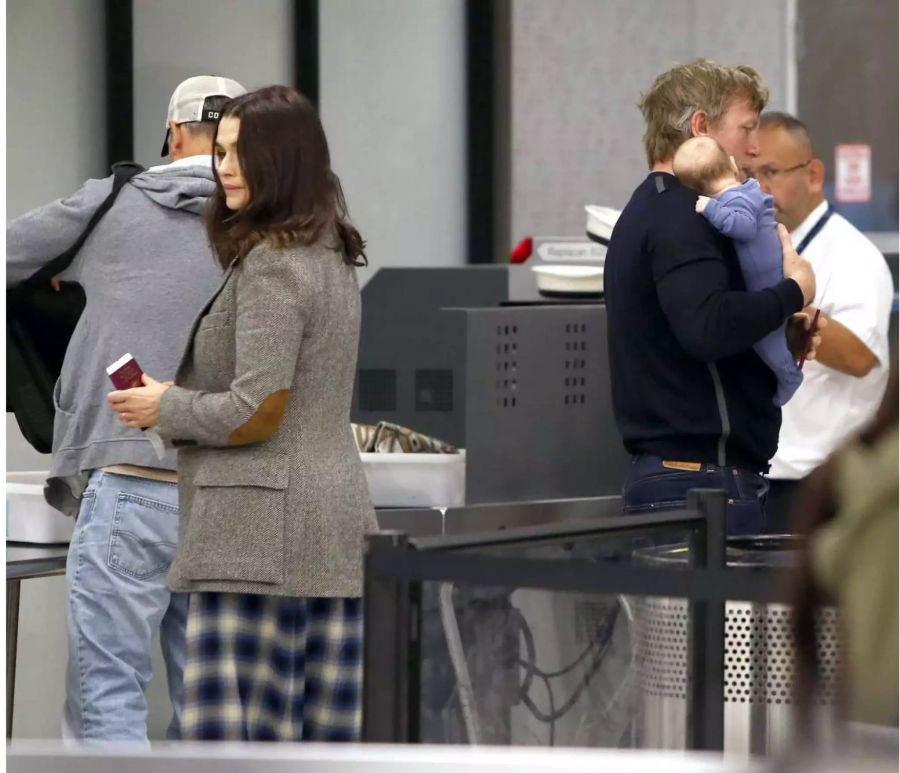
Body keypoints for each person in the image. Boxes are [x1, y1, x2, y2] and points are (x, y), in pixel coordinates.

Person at [107, 85, 378, 742]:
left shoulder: (273, 265)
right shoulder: (330, 256)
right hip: (331, 535)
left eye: (239, 153)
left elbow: (258, 410)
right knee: (324, 745)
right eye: (220, 151)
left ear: (280, 160)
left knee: (234, 753)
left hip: (257, 542)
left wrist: (164, 405)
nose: (223, 167)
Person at [6, 74, 246, 742]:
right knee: (210, 713)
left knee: (107, 696)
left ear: (173, 134)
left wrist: (60, 278)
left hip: (129, 481)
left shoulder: (114, 204)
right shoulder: (265, 221)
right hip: (227, 492)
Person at [604, 59, 819, 535]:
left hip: (694, 482)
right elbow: (708, 325)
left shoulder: (659, 209)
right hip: (697, 488)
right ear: (701, 126)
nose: (756, 147)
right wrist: (793, 291)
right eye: (746, 129)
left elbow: (699, 329)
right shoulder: (678, 215)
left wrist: (780, 332)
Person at [753, 112, 893, 534]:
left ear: (813, 175)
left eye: (771, 172)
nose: (758, 188)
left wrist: (787, 309)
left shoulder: (853, 255)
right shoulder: (757, 250)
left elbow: (860, 356)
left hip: (818, 484)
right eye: (747, 173)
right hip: (759, 476)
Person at [674, 135, 802, 407]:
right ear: (732, 164)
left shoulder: (735, 198)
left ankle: (790, 377)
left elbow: (742, 226)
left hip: (765, 280)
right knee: (766, 340)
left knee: (768, 344)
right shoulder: (744, 192)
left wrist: (711, 209)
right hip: (764, 276)